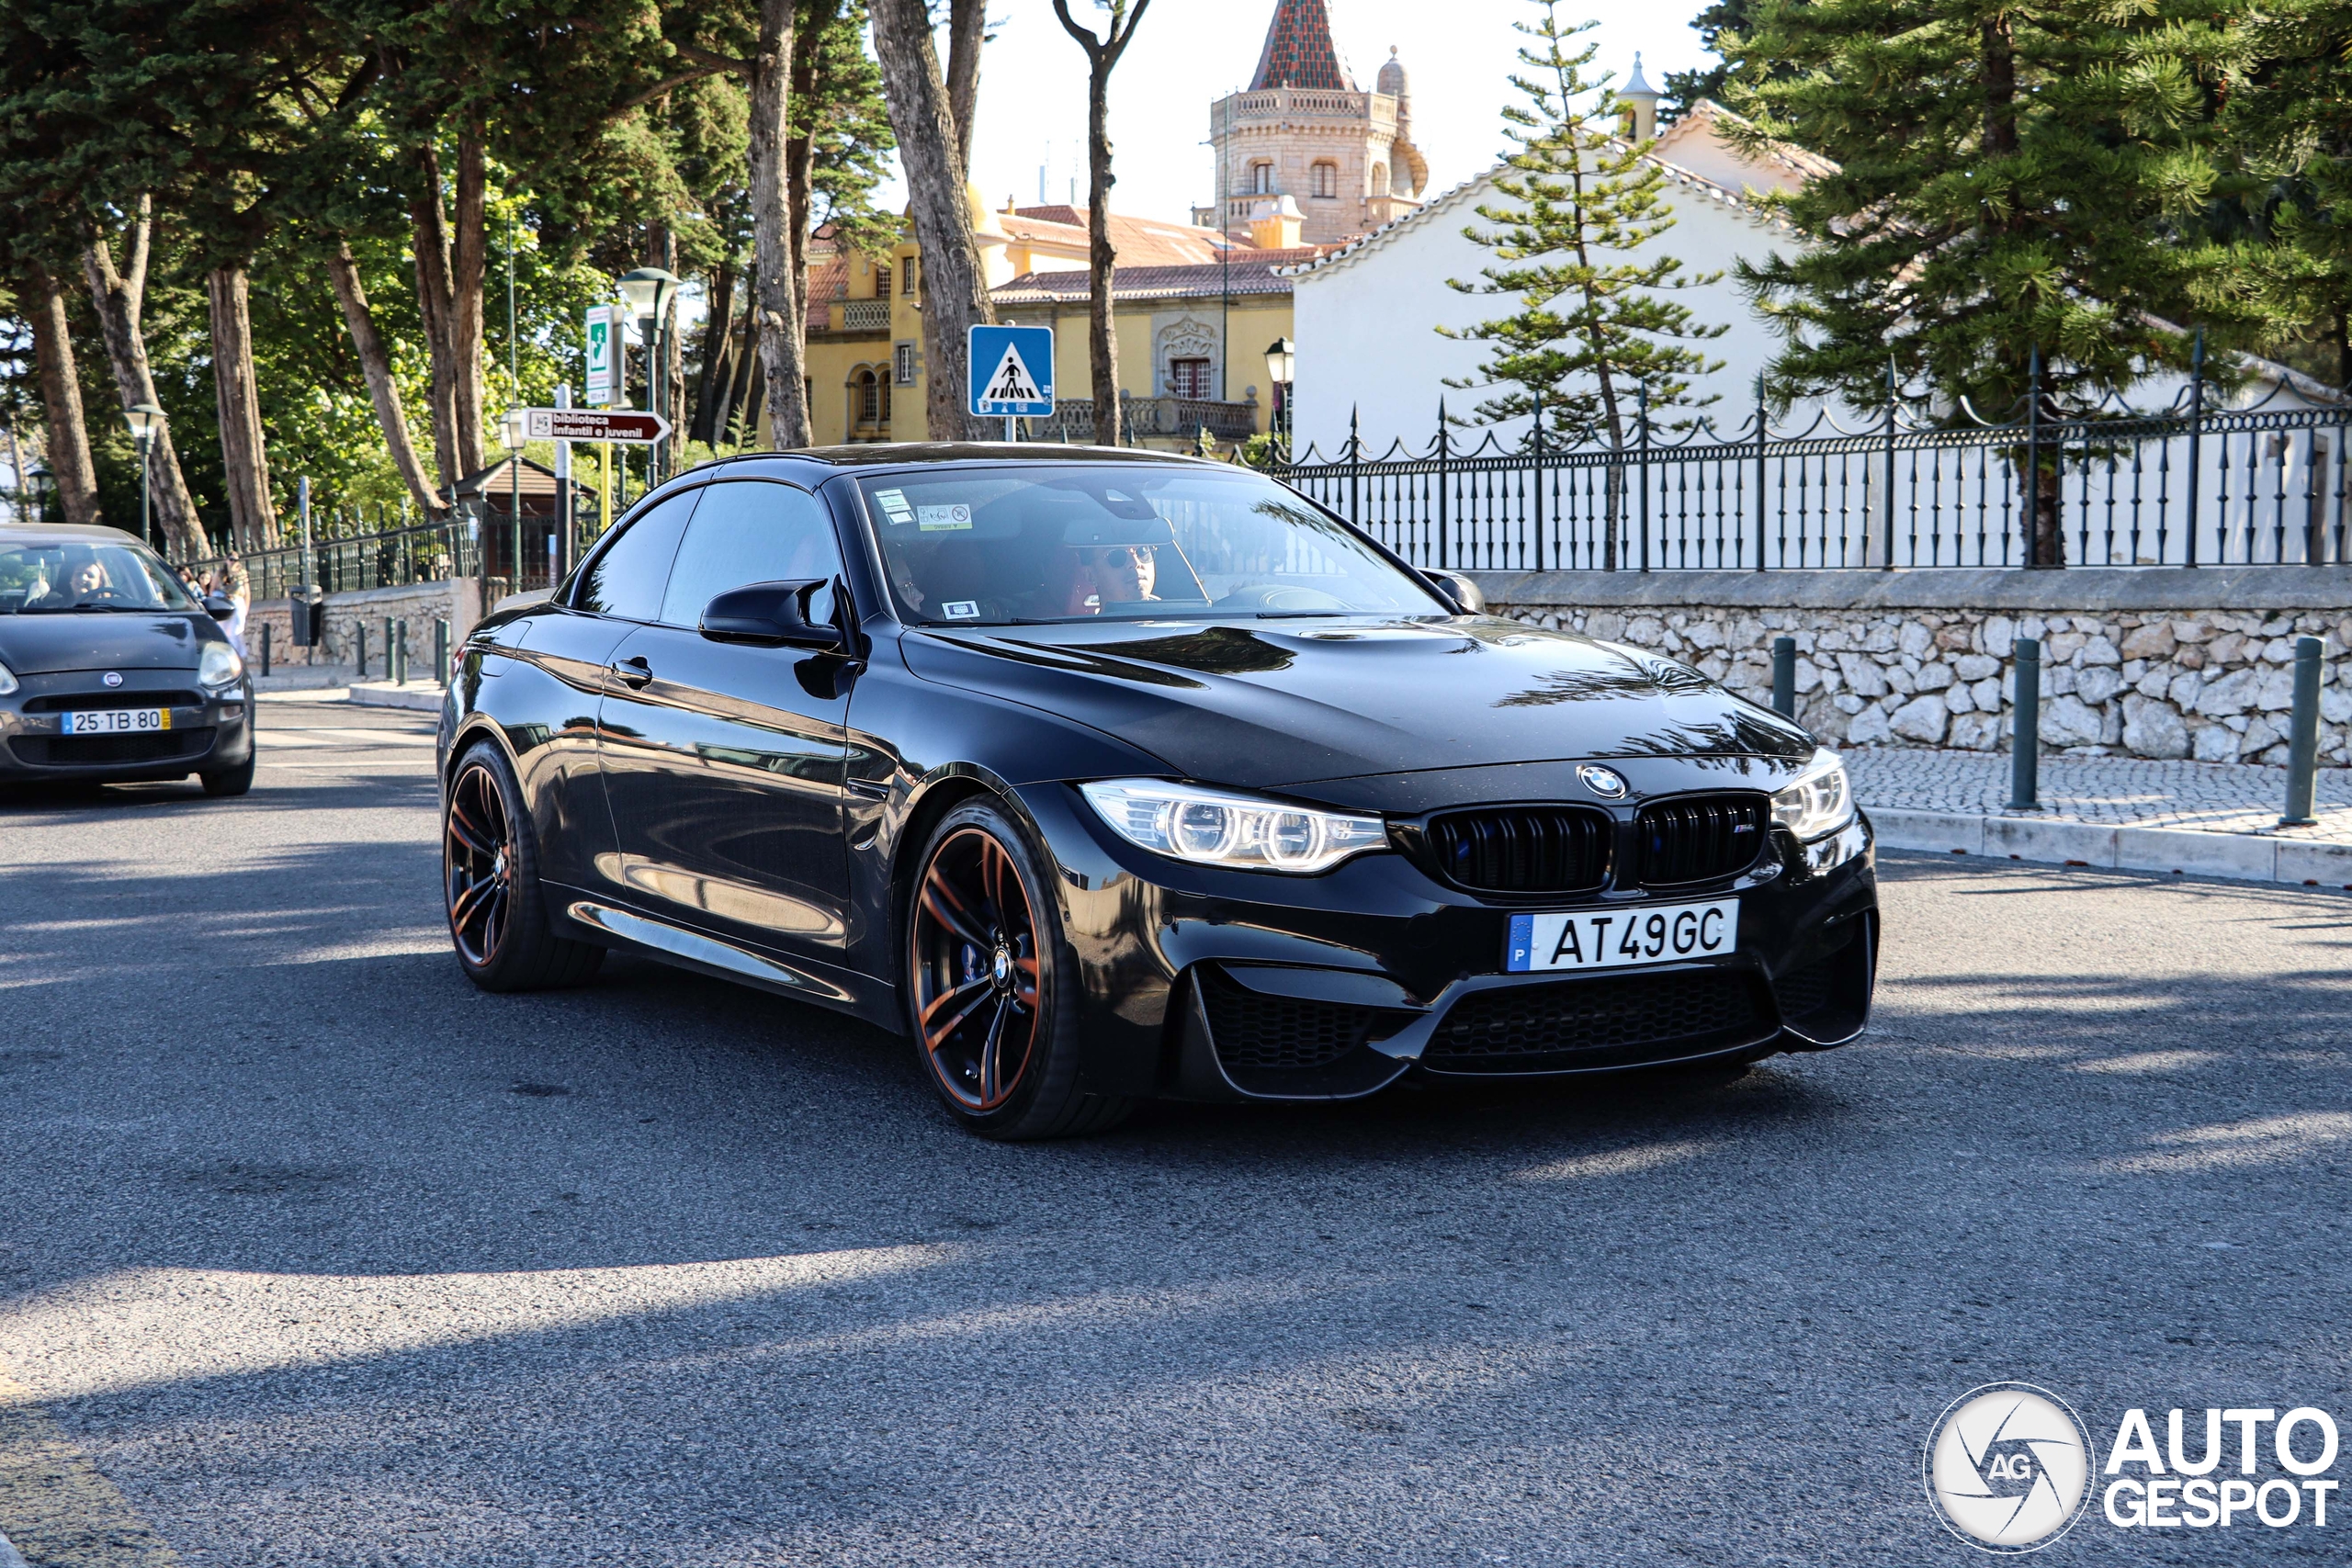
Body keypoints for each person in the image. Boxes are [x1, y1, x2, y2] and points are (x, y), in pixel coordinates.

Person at [219, 551, 251, 657]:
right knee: (226, 631)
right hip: (225, 603)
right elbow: (213, 590)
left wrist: (246, 608)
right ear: (226, 560)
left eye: (235, 560)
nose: (233, 562)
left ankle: (239, 655)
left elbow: (247, 592)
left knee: (237, 630)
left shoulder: (242, 574)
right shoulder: (221, 574)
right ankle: (230, 655)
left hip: (238, 602)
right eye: (231, 559)